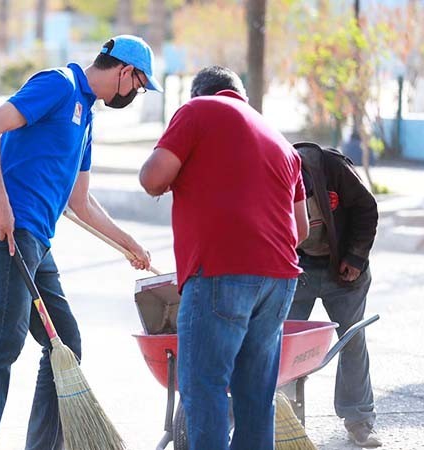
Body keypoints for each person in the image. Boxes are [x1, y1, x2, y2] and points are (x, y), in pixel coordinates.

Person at [0, 35, 156, 450]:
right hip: (10, 230)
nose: (135, 93)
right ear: (125, 71)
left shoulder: (88, 117)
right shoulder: (58, 84)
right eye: (138, 84)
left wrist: (128, 242)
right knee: (3, 343)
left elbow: (80, 201)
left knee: (65, 343)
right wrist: (0, 203)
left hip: (36, 240)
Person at [139, 65, 309, 450]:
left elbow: (152, 178)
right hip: (280, 280)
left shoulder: (198, 111)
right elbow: (301, 232)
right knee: (255, 395)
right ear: (241, 97)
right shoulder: (280, 140)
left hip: (220, 272)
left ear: (199, 94)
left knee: (204, 387)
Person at [289, 141, 380, 448]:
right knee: (280, 345)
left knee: (351, 339)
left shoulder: (332, 167)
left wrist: (354, 258)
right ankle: (283, 419)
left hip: (342, 267)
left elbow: (367, 210)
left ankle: (359, 419)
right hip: (297, 268)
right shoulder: (272, 175)